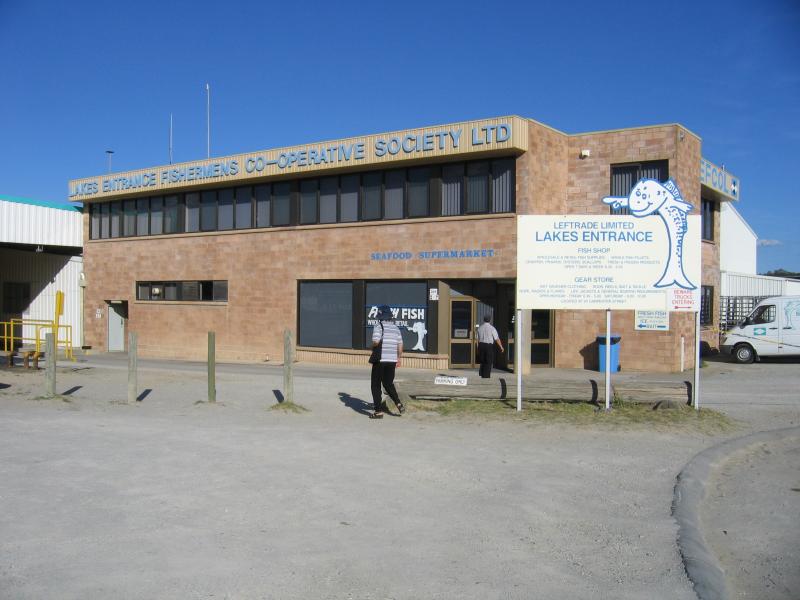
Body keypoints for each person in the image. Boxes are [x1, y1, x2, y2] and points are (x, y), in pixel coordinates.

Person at [370, 305, 404, 419]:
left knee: (375, 385)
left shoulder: (378, 326)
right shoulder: (396, 328)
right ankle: (398, 403)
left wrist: (373, 346)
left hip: (380, 360)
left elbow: (376, 341)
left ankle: (378, 411)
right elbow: (400, 345)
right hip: (392, 360)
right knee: (388, 383)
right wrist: (398, 358)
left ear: (380, 316)